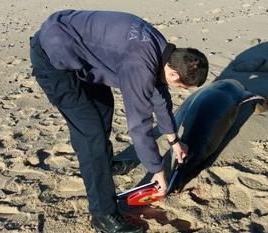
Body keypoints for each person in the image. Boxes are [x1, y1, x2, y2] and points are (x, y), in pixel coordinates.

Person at [30, 9, 209, 233]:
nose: (179, 89)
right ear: (173, 73)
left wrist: (174, 141)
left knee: (104, 108)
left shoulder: (161, 49)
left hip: (81, 53)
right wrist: (157, 170)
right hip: (53, 58)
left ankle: (104, 164)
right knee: (91, 135)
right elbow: (139, 124)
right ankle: (102, 214)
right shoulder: (140, 65)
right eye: (182, 87)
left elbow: (160, 98)